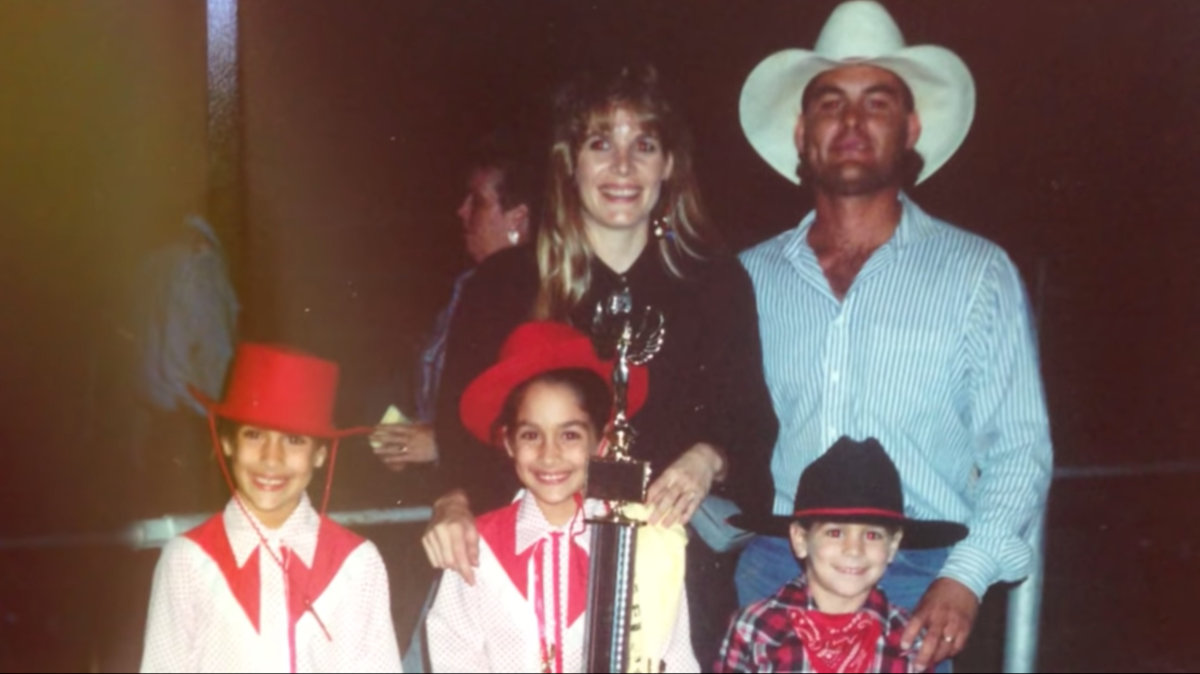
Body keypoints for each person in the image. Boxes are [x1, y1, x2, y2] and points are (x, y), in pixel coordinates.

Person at [423, 62, 779, 663]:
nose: (622, 167)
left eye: (643, 145)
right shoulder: (504, 285)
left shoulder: (715, 283)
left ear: (669, 164)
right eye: (599, 143)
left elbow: (752, 425)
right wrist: (452, 502)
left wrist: (707, 457)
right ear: (569, 162)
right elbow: (459, 432)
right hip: (529, 579)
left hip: (671, 580)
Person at [734, 1, 1053, 670]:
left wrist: (965, 576)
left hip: (921, 580)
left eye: (876, 103)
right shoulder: (747, 277)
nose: (851, 121)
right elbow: (715, 431)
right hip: (774, 575)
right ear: (800, 131)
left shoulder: (976, 273)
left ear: (909, 130)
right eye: (830, 103)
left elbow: (1020, 450)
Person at [425, 321, 698, 672]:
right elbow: (453, 655)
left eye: (569, 436)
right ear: (508, 442)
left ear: (601, 443)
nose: (549, 455)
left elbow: (675, 657)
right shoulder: (477, 548)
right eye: (530, 435)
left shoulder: (642, 542)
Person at [140, 343, 402, 672]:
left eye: (293, 440)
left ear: (320, 454)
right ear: (227, 443)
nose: (271, 459)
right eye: (254, 435)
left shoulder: (359, 564)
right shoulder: (187, 560)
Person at [716, 437, 968, 673]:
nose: (854, 550)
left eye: (872, 535)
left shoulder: (908, 642)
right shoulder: (754, 627)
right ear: (801, 539)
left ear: (892, 546)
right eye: (835, 533)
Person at [370, 131, 540, 473]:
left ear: (517, 219)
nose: (461, 210)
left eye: (477, 202)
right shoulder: (471, 285)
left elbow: (525, 413)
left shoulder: (529, 294)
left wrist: (441, 444)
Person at [130, 213, 238, 513]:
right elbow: (211, 345)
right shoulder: (198, 265)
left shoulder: (148, 265)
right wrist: (224, 408)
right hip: (190, 412)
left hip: (150, 412)